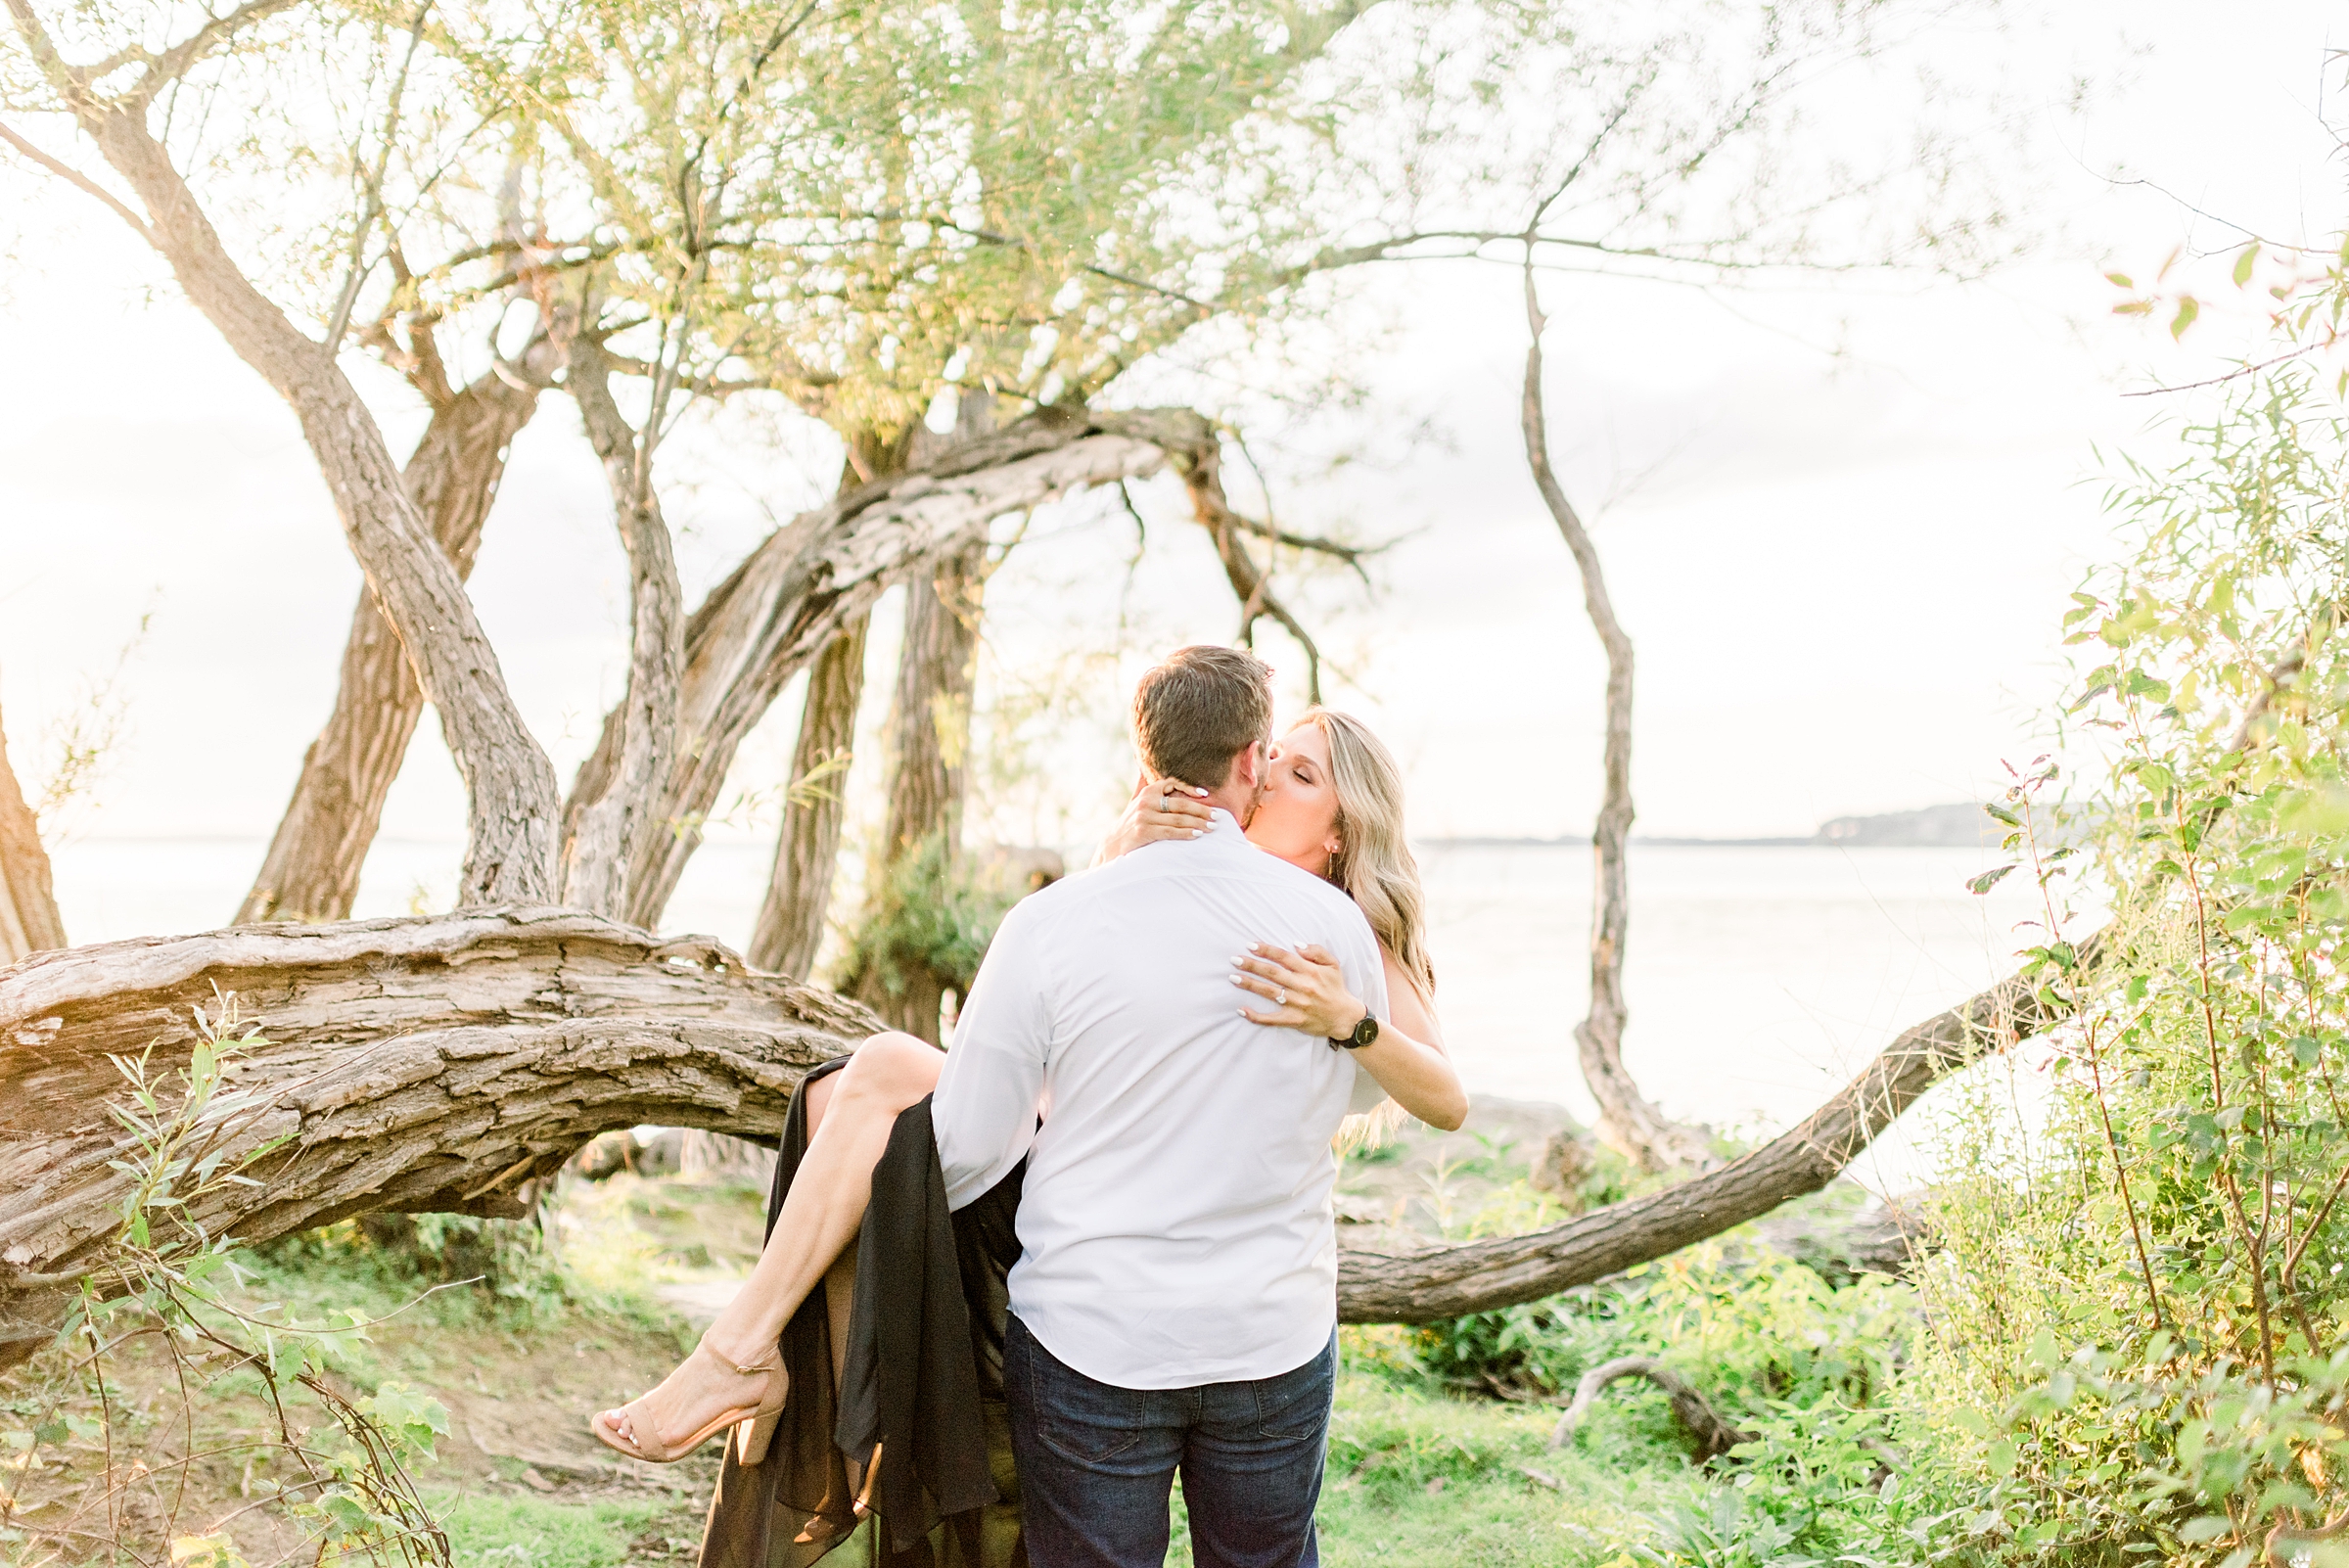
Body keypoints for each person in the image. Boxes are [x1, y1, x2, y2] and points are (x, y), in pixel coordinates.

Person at [590, 649, 1464, 1559]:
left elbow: (1441, 1093)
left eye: (1302, 772)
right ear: (1242, 764)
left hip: (1124, 1261)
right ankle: (739, 1350)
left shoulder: (1346, 934)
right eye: (1275, 756)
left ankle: (740, 1355)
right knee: (883, 1067)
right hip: (1137, 1208)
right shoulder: (1181, 886)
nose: (1274, 775)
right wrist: (1117, 853)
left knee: (886, 1069)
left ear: (1340, 829)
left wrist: (1349, 1018)